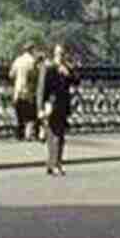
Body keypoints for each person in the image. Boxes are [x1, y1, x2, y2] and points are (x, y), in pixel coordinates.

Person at [38, 44, 76, 176]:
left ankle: (53, 163)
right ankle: (56, 164)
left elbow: (77, 81)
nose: (62, 56)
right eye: (60, 53)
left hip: (63, 106)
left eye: (64, 54)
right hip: (51, 106)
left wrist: (69, 72)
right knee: (54, 137)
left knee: (59, 136)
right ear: (54, 54)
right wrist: (40, 108)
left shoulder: (66, 68)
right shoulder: (49, 68)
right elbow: (42, 90)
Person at [9, 43, 40, 141]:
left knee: (19, 114)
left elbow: (11, 75)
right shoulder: (33, 61)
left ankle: (19, 135)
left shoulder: (17, 60)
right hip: (29, 92)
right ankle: (29, 134)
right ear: (32, 50)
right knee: (31, 115)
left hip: (17, 91)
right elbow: (36, 76)